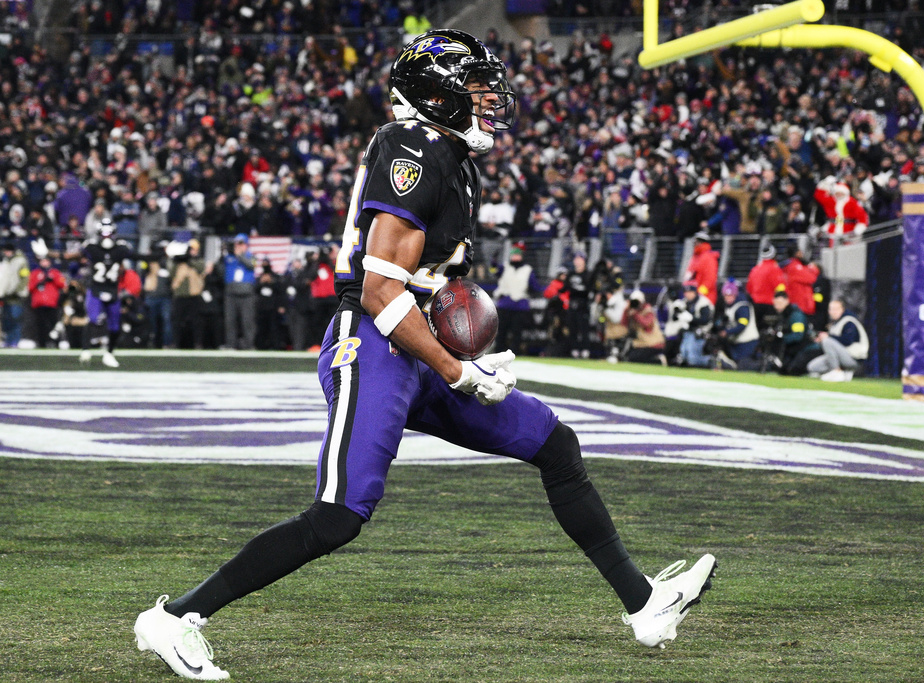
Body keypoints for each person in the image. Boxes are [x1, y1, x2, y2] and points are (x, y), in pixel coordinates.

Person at [133, 30, 715, 681]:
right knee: (336, 516)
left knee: (555, 444)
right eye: (473, 87)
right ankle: (177, 616)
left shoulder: (454, 160)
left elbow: (425, 285)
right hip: (374, 341)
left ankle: (645, 604)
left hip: (413, 342)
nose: (488, 100)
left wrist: (462, 349)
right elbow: (382, 287)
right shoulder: (411, 145)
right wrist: (459, 368)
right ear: (435, 96)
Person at [79, 218, 133, 367]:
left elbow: (136, 256)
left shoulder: (120, 249)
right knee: (93, 319)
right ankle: (85, 350)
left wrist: (163, 254)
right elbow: (76, 256)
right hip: (96, 288)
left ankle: (109, 353)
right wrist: (50, 254)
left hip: (112, 290)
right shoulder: (92, 247)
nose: (107, 237)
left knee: (115, 326)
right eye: (104, 234)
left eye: (109, 234)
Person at [492, 244, 540, 355]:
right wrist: (493, 261)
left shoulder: (527, 270)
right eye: (514, 255)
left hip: (520, 305)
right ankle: (498, 352)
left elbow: (534, 286)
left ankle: (514, 353)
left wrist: (533, 289)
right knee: (502, 331)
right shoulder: (505, 267)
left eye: (517, 255)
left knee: (517, 332)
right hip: (505, 303)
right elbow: (494, 270)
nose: (515, 258)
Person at [807, 299, 869, 381]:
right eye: (831, 309)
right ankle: (844, 372)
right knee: (812, 367)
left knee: (827, 340)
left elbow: (847, 341)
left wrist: (828, 336)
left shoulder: (849, 321)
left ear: (842, 309)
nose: (833, 312)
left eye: (836, 309)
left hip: (853, 358)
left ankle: (837, 372)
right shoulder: (835, 323)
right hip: (841, 357)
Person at [768, 289, 822, 375]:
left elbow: (798, 335)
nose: (777, 306)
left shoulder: (796, 316)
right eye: (776, 304)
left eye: (779, 303)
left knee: (793, 370)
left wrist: (781, 338)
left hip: (808, 349)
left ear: (787, 301)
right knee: (783, 370)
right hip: (797, 350)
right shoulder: (784, 316)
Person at [222, 234, 257, 350]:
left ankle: (249, 345)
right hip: (231, 293)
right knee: (230, 320)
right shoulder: (229, 257)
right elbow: (221, 268)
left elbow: (251, 265)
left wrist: (240, 255)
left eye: (241, 243)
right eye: (237, 243)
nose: (238, 246)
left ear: (246, 245)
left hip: (246, 293)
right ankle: (230, 344)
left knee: (247, 321)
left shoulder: (251, 256)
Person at [716, 280, 758, 368]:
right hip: (737, 341)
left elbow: (742, 325)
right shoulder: (728, 306)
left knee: (743, 365)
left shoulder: (742, 306)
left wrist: (727, 332)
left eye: (730, 295)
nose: (728, 298)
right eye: (726, 295)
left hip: (747, 341)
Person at [28, 254, 67, 348]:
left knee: (54, 325)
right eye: (42, 261)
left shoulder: (55, 272)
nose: (44, 263)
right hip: (39, 304)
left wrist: (52, 278)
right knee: (40, 325)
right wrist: (40, 282)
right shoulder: (35, 273)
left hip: (52, 304)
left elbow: (62, 284)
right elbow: (30, 287)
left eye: (46, 261)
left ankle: (56, 343)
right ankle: (41, 344)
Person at [746, 243, 785, 331]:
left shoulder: (755, 269)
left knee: (757, 329)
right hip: (770, 305)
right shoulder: (774, 269)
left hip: (756, 305)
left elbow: (749, 288)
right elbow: (780, 288)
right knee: (770, 330)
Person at [622, 289, 667, 365]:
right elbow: (624, 324)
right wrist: (626, 311)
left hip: (654, 343)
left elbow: (647, 325)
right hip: (643, 343)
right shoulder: (632, 311)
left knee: (634, 358)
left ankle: (658, 361)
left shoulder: (648, 311)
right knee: (629, 357)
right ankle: (656, 360)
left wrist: (635, 315)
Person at [677, 281, 715, 368]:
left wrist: (691, 319)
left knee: (693, 359)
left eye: (690, 292)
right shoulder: (684, 302)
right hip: (688, 331)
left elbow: (706, 320)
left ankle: (711, 360)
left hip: (700, 333)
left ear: (695, 292)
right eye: (686, 292)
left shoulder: (703, 302)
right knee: (684, 356)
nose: (688, 295)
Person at [0, 241, 30, 347]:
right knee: (7, 319)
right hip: (6, 295)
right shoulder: (5, 261)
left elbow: (24, 278)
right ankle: (8, 340)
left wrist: (18, 290)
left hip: (16, 296)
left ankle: (14, 341)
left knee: (15, 318)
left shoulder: (20, 261)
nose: (6, 253)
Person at [565, 251, 592, 358]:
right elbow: (566, 288)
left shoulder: (588, 274)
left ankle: (585, 349)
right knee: (573, 328)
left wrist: (579, 291)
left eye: (579, 258)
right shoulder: (571, 274)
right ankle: (574, 349)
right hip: (573, 304)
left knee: (584, 328)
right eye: (576, 258)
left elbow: (589, 289)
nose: (577, 261)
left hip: (583, 305)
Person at [683, 231, 719, 305]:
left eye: (697, 242)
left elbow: (710, 279)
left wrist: (699, 293)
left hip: (705, 297)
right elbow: (689, 275)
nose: (695, 244)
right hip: (693, 296)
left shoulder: (708, 257)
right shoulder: (695, 257)